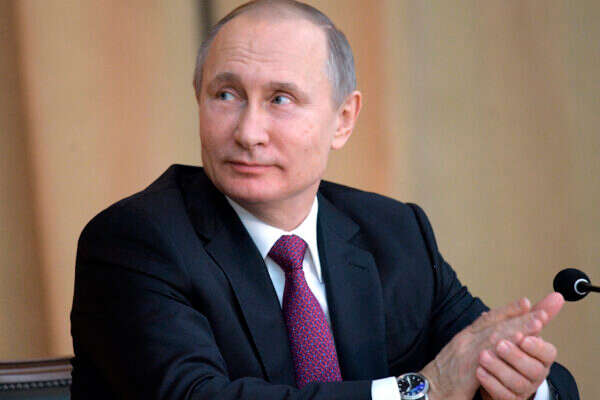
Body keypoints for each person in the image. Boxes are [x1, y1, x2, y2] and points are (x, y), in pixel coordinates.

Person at [70, 1, 579, 399]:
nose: (248, 132)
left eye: (280, 99)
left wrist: (514, 381)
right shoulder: (136, 241)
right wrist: (423, 392)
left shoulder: (394, 231)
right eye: (225, 95)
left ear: (343, 120)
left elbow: (516, 369)